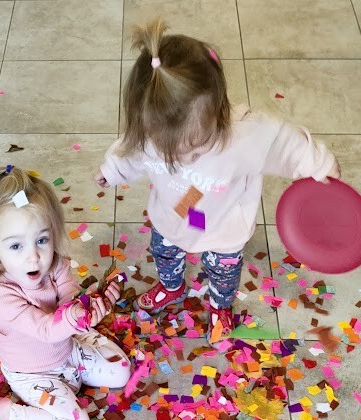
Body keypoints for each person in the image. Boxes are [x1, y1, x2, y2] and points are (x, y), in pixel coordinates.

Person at [95, 19, 341, 342]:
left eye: (198, 147)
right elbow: (129, 152)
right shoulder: (147, 134)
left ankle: (220, 307)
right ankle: (172, 286)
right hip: (171, 216)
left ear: (220, 111)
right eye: (171, 151)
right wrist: (111, 171)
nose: (187, 159)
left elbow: (287, 144)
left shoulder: (245, 135)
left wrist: (320, 165)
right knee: (164, 253)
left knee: (224, 273)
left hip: (224, 224)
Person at [0, 167, 130, 420]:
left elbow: (68, 296)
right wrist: (74, 318)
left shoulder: (55, 263)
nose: (34, 256)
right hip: (33, 374)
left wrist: (91, 305)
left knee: (121, 371)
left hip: (67, 350)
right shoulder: (0, 298)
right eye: (16, 246)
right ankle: (7, 413)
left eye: (41, 240)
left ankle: (86, 337)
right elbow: (45, 329)